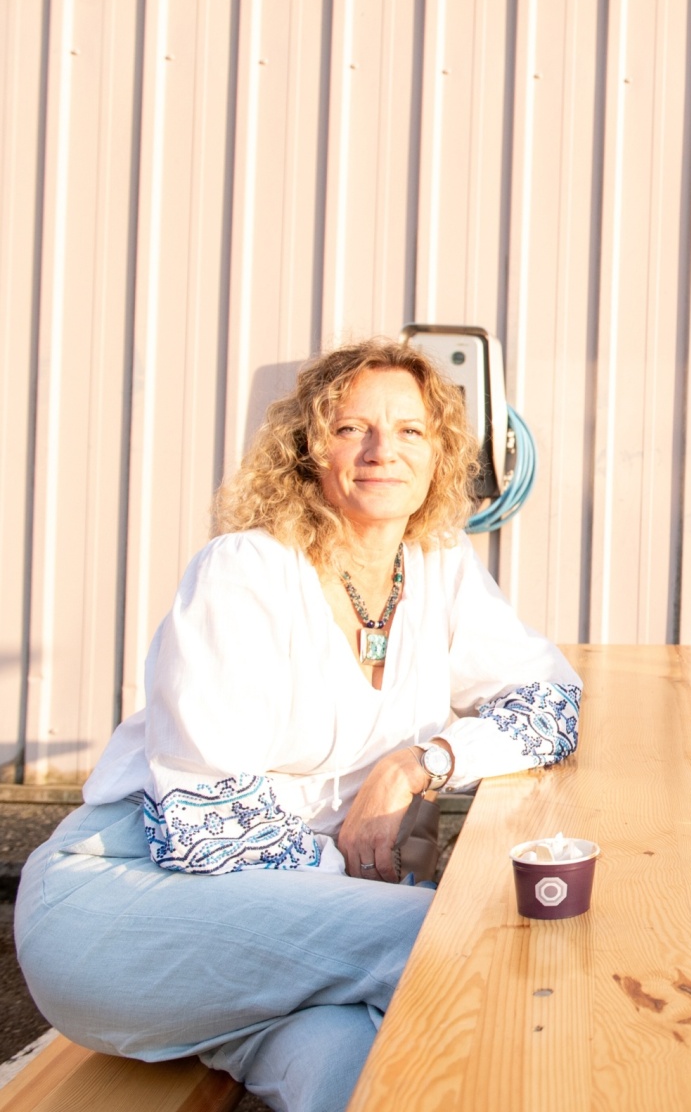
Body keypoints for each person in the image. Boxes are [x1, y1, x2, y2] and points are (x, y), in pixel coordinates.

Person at [15, 340, 582, 1112]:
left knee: (362, 1076)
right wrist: (356, 877)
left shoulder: (437, 566)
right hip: (131, 899)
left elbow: (552, 703)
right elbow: (212, 823)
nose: (383, 451)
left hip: (283, 940)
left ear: (440, 453)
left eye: (411, 431)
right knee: (456, 933)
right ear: (308, 448)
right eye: (352, 429)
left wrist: (424, 762)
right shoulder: (245, 569)